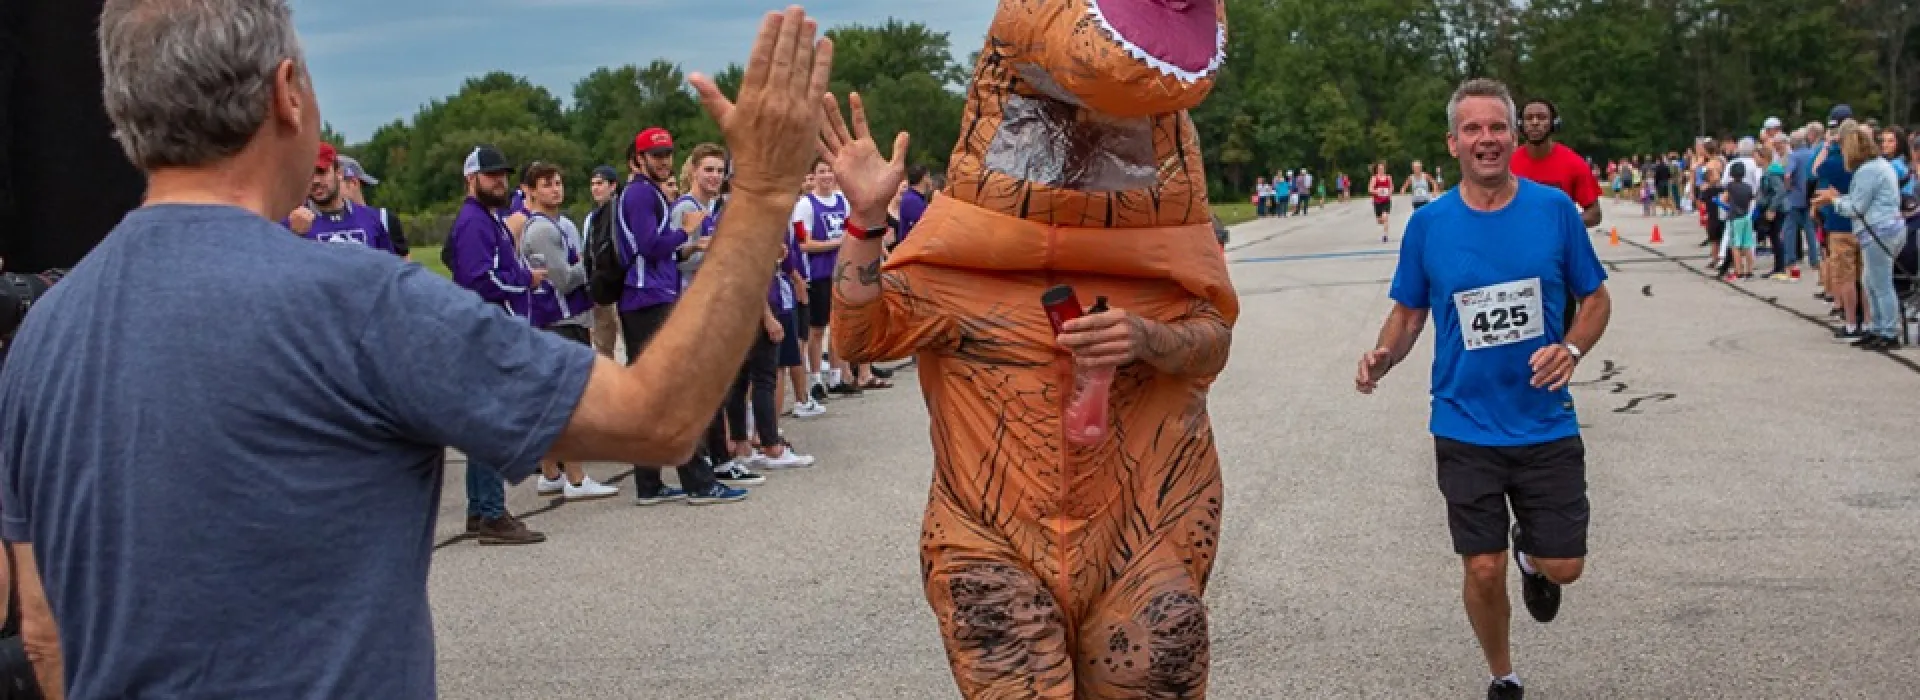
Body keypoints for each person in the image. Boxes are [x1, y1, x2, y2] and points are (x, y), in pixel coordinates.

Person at [0, 2, 832, 696]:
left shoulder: (43, 330)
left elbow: (43, 633)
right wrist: (761, 192)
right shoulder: (356, 301)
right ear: (288, 94)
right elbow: (658, 419)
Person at [822, 0, 1234, 695]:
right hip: (992, 536)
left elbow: (1210, 345)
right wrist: (865, 224)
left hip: (1142, 528)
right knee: (1018, 672)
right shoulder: (954, 269)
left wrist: (1146, 337)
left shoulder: (1162, 264)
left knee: (1160, 652)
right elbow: (858, 336)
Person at [1356, 78, 1612, 700]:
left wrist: (1572, 348)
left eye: (1496, 127)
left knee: (1565, 567)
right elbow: (1409, 312)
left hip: (1544, 421)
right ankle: (1504, 675)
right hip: (1463, 422)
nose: (1487, 139)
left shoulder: (1553, 211)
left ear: (1514, 134)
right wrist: (1385, 353)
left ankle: (1535, 558)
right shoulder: (1429, 225)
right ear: (1453, 143)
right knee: (1481, 563)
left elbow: (1597, 299)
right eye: (1473, 129)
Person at [1816, 123, 1907, 349]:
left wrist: (1833, 200)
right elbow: (1861, 201)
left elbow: (1856, 208)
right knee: (1869, 281)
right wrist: (1839, 198)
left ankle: (1888, 332)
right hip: (1886, 229)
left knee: (1881, 283)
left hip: (1879, 232)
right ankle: (1876, 327)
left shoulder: (1867, 171)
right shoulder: (1877, 166)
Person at [1511, 98, 1603, 229]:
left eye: (1542, 117)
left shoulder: (1574, 163)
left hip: (1558, 246)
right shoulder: (1507, 163)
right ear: (1520, 124)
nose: (1535, 122)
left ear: (1554, 123)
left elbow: (1594, 214)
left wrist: (1560, 224)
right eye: (1529, 118)